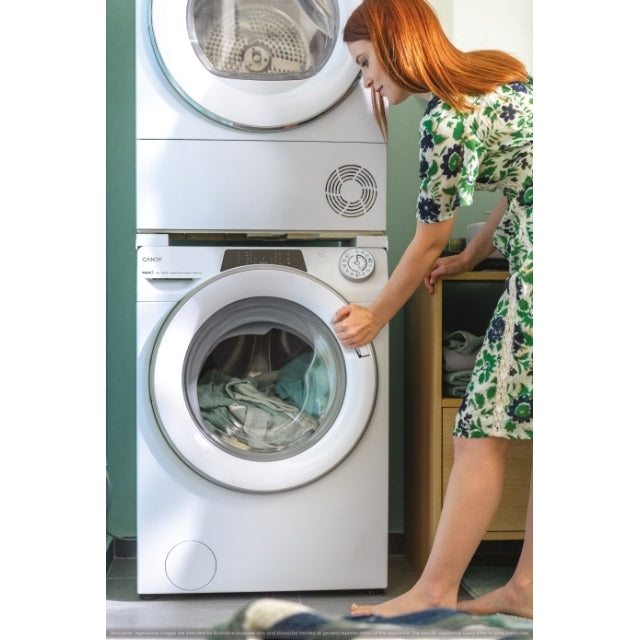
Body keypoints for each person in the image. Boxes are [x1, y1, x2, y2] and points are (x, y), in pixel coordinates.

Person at [332, 0, 533, 620]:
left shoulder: (447, 120)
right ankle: (528, 588)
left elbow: (424, 242)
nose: (366, 80)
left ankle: (434, 591)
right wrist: (471, 254)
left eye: (364, 62)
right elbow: (521, 180)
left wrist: (374, 316)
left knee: (479, 429)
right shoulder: (495, 72)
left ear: (396, 44)